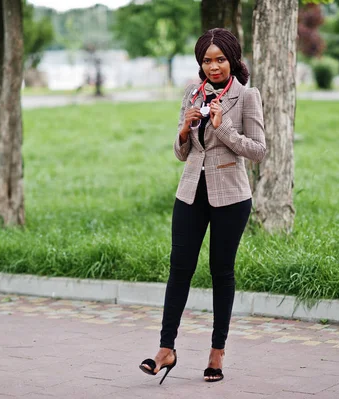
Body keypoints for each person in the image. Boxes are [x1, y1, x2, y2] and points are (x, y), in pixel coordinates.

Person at [139, 28, 266, 384]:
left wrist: (222, 129)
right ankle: (166, 349)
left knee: (220, 271)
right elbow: (183, 154)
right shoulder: (191, 93)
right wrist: (183, 129)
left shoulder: (247, 96)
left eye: (220, 59)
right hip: (191, 193)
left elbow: (259, 150)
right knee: (179, 268)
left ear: (233, 59)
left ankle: (217, 353)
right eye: (207, 60)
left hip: (231, 197)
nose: (213, 67)